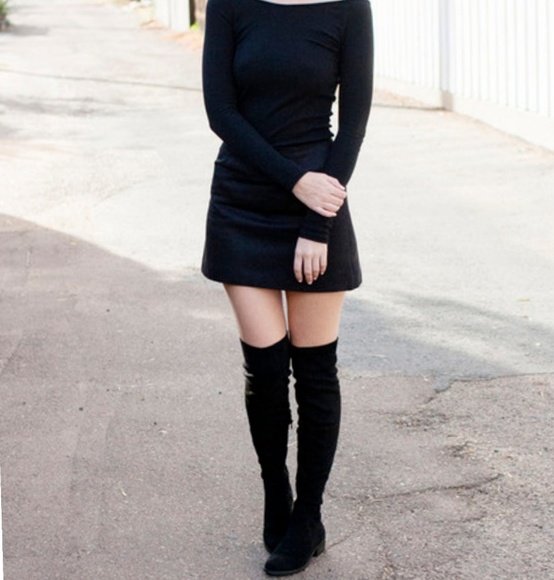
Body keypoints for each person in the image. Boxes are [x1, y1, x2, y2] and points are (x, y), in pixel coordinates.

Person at [201, 0, 373, 575]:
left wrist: (316, 220)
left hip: (318, 204)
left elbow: (353, 124)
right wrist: (293, 180)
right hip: (244, 199)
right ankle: (277, 493)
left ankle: (308, 517)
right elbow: (222, 112)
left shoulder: (349, 8)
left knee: (315, 370)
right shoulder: (230, 5)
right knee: (266, 371)